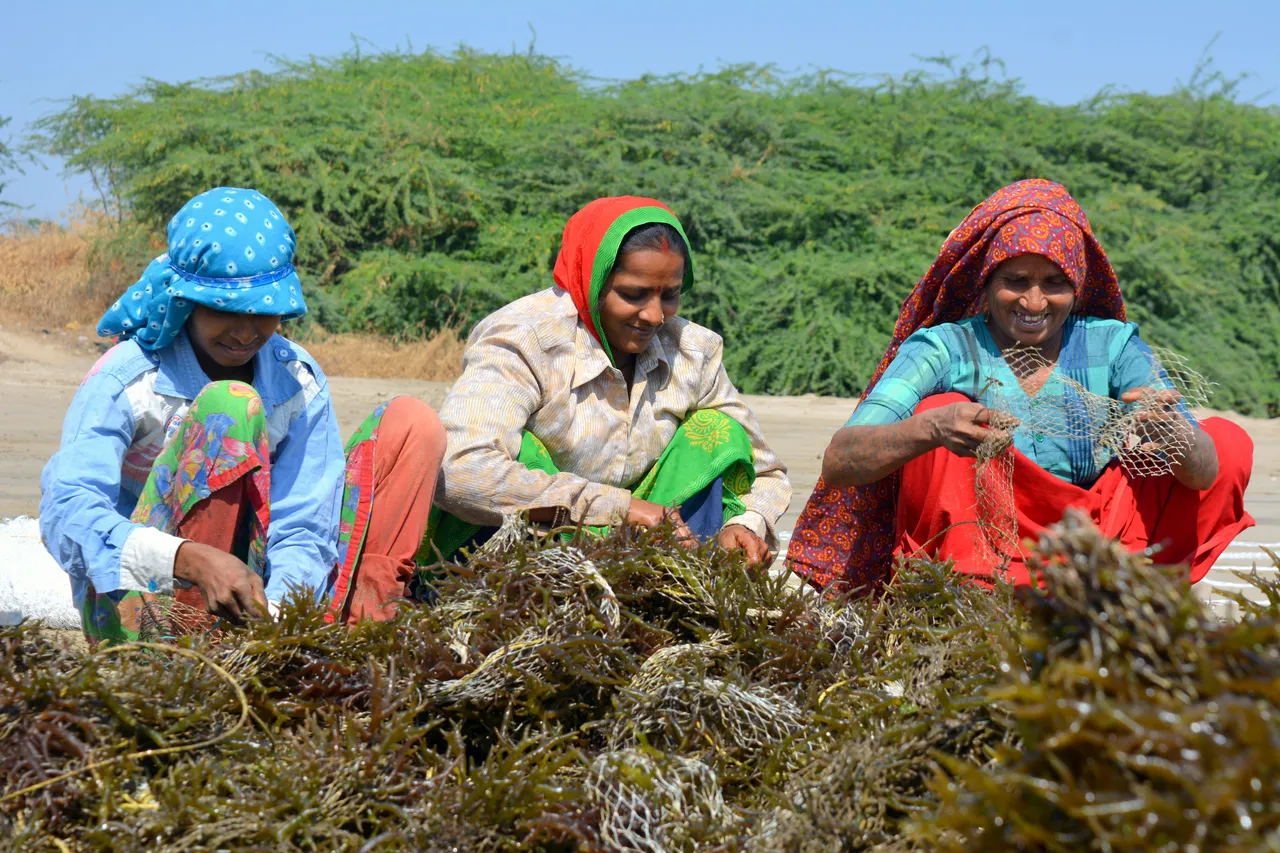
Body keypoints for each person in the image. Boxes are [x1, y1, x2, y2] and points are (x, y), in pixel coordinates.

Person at [787, 179, 1254, 591]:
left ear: (1077, 285)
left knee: (1227, 440)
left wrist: (1177, 437)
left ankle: (1137, 587)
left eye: (1054, 283)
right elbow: (841, 459)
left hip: (1097, 538)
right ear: (988, 283)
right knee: (940, 407)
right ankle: (976, 590)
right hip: (984, 542)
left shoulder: (1111, 344)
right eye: (1016, 281)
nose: (1034, 301)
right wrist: (931, 428)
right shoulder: (944, 347)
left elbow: (1207, 473)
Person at [40, 187, 446, 641]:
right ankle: (191, 645)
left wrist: (278, 611)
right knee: (229, 405)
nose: (246, 331)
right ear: (185, 300)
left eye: (265, 311)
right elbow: (66, 512)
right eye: (224, 308)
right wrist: (188, 558)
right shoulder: (129, 379)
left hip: (253, 604)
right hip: (141, 608)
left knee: (413, 423)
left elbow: (303, 526)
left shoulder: (296, 381)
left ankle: (363, 632)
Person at [431, 195, 790, 562]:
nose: (653, 316)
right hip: (526, 551)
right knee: (523, 451)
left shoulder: (692, 351)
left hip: (643, 546)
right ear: (593, 280)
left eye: (670, 295)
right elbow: (461, 470)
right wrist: (618, 508)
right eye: (633, 294)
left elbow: (767, 472)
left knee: (719, 432)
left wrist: (746, 523)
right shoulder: (525, 339)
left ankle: (682, 579)